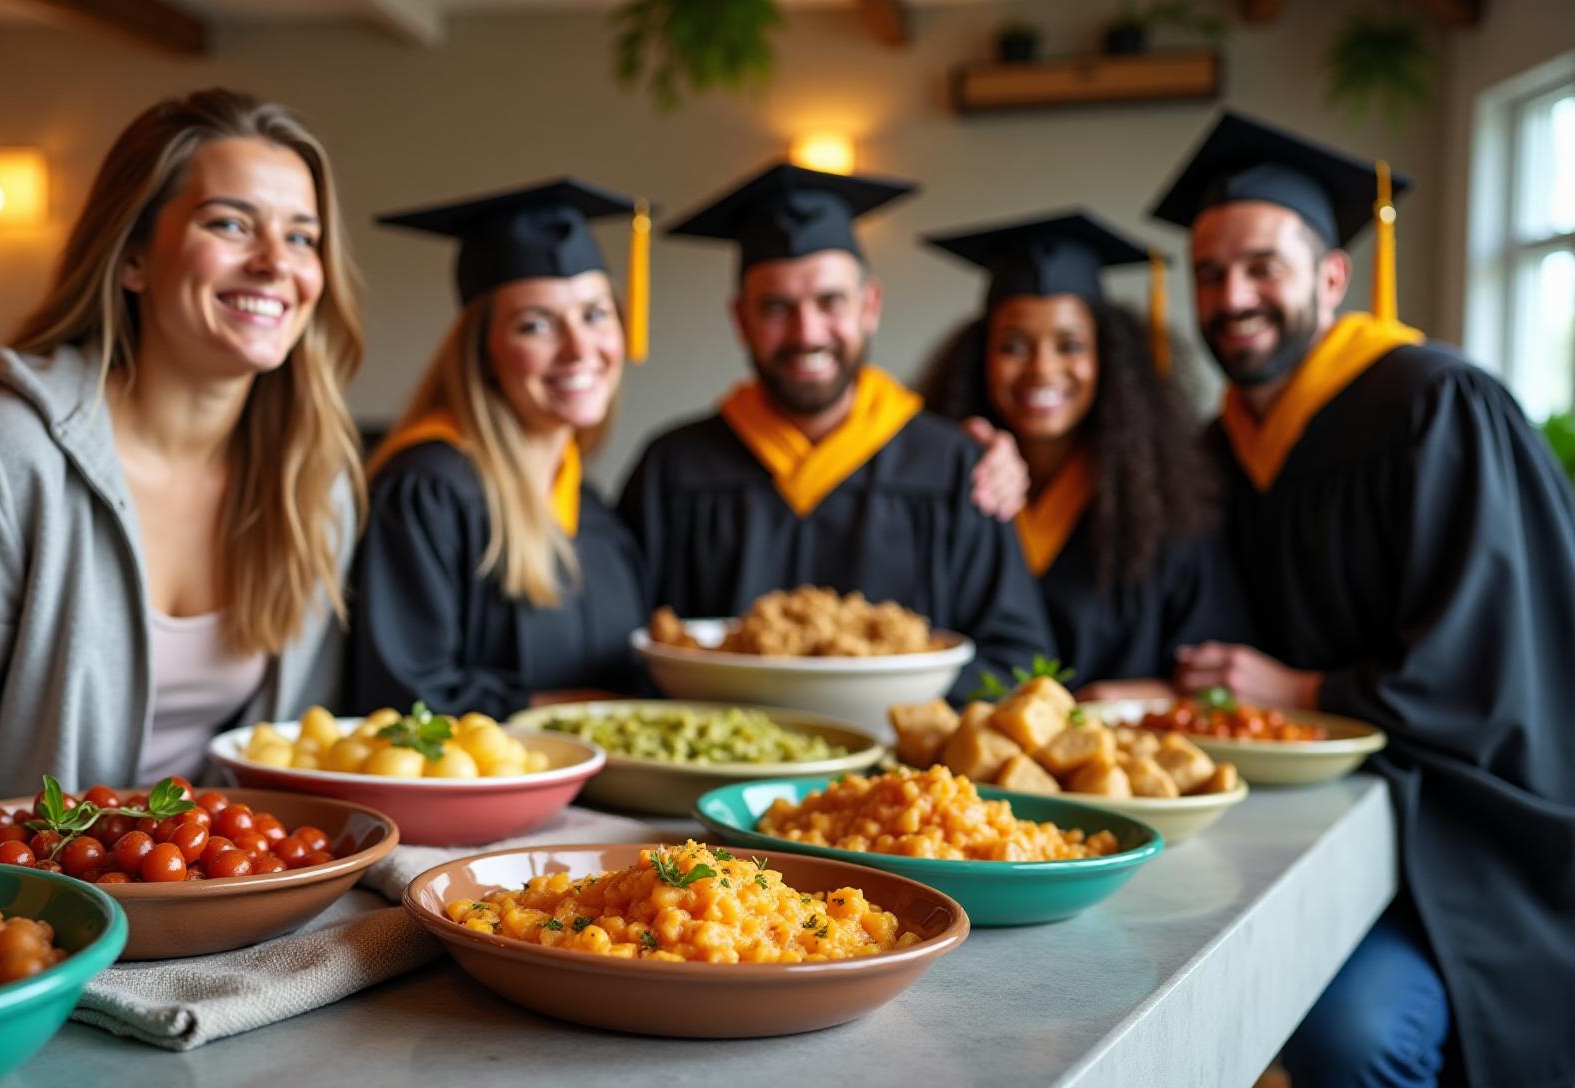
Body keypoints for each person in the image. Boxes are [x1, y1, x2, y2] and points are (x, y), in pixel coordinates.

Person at [0, 89, 365, 846]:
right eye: (228, 223)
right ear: (131, 257)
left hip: (218, 906)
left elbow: (288, 771)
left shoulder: (314, 483)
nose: (274, 264)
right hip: (15, 915)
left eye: (302, 237)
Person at [1150, 109, 1575, 1087]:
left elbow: (1495, 662)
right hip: (1284, 824)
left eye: (1262, 265)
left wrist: (1300, 688)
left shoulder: (1435, 404)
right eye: (1211, 273)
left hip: (1463, 835)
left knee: (1354, 1036)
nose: (1232, 296)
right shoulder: (1222, 448)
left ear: (1331, 278)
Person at [618, 162, 1054, 692]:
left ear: (869, 306)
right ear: (741, 320)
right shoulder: (673, 467)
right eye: (777, 307)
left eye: (830, 302)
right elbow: (624, 646)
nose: (807, 332)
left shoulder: (956, 467)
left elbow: (1018, 660)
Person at [348, 179, 648, 719]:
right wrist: (588, 714)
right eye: (536, 325)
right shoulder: (429, 489)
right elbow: (404, 699)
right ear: (483, 351)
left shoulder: (592, 505)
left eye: (596, 314)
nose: (580, 349)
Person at [918, 211, 1250, 695]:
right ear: (979, 359)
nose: (1042, 369)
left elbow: (1211, 680)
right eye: (1013, 346)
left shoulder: (1168, 505)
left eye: (1070, 345)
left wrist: (1127, 699)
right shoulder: (948, 487)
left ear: (1108, 359)